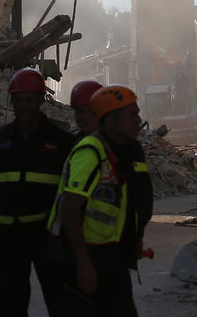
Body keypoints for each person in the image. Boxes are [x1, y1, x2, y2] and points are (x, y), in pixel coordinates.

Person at [47, 85, 151, 316]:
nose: (138, 120)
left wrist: (135, 236)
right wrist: (83, 263)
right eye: (131, 115)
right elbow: (70, 209)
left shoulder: (121, 151)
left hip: (109, 256)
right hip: (83, 257)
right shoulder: (90, 153)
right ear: (111, 121)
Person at [0, 68, 76, 316]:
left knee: (59, 302)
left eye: (29, 100)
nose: (24, 106)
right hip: (9, 237)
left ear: (40, 100)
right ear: (12, 102)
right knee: (12, 304)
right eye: (19, 100)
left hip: (47, 236)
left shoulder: (61, 142)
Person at [71, 80, 152, 264]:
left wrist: (136, 235)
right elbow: (70, 207)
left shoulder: (129, 149)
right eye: (79, 111)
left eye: (89, 111)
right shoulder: (81, 149)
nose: (83, 118)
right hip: (92, 248)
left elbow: (141, 196)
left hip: (117, 245)